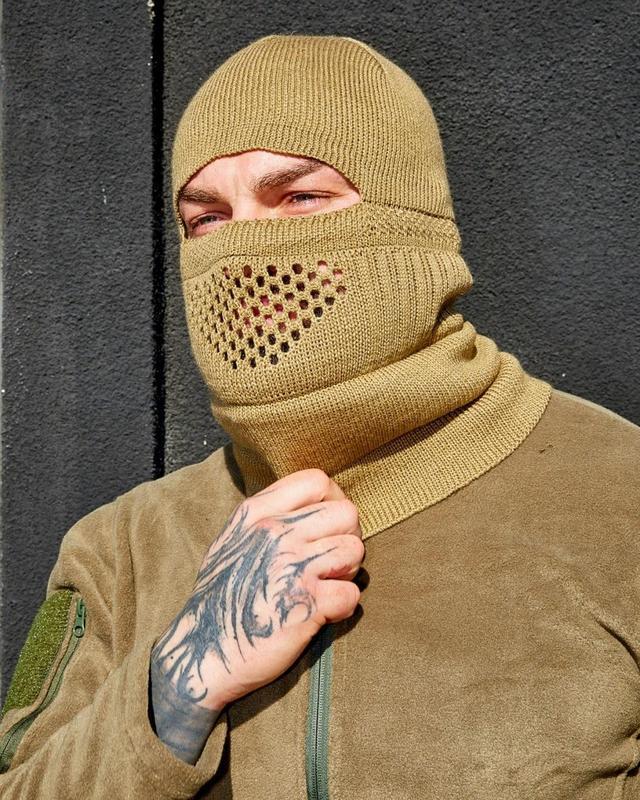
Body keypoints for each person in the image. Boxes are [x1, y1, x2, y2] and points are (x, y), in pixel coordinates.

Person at [0, 31, 639, 799]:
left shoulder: (619, 499)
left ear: (412, 218)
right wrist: (176, 689)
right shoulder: (122, 550)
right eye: (207, 219)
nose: (245, 255)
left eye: (300, 199)